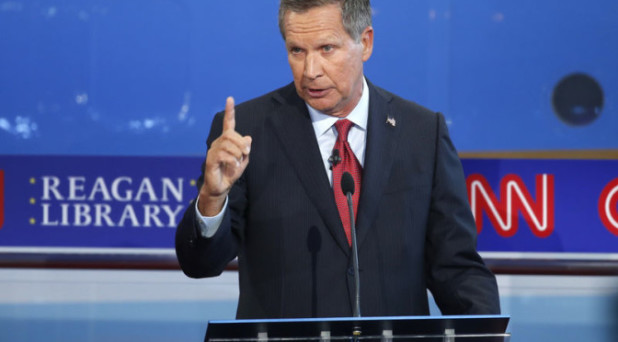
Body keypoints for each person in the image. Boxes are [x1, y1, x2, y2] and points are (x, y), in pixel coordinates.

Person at [176, 0, 500, 319]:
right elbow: (201, 265)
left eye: (326, 48)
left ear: (365, 42)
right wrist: (212, 198)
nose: (311, 71)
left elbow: (455, 267)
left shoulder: (422, 133)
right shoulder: (247, 132)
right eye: (297, 51)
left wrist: (486, 331)